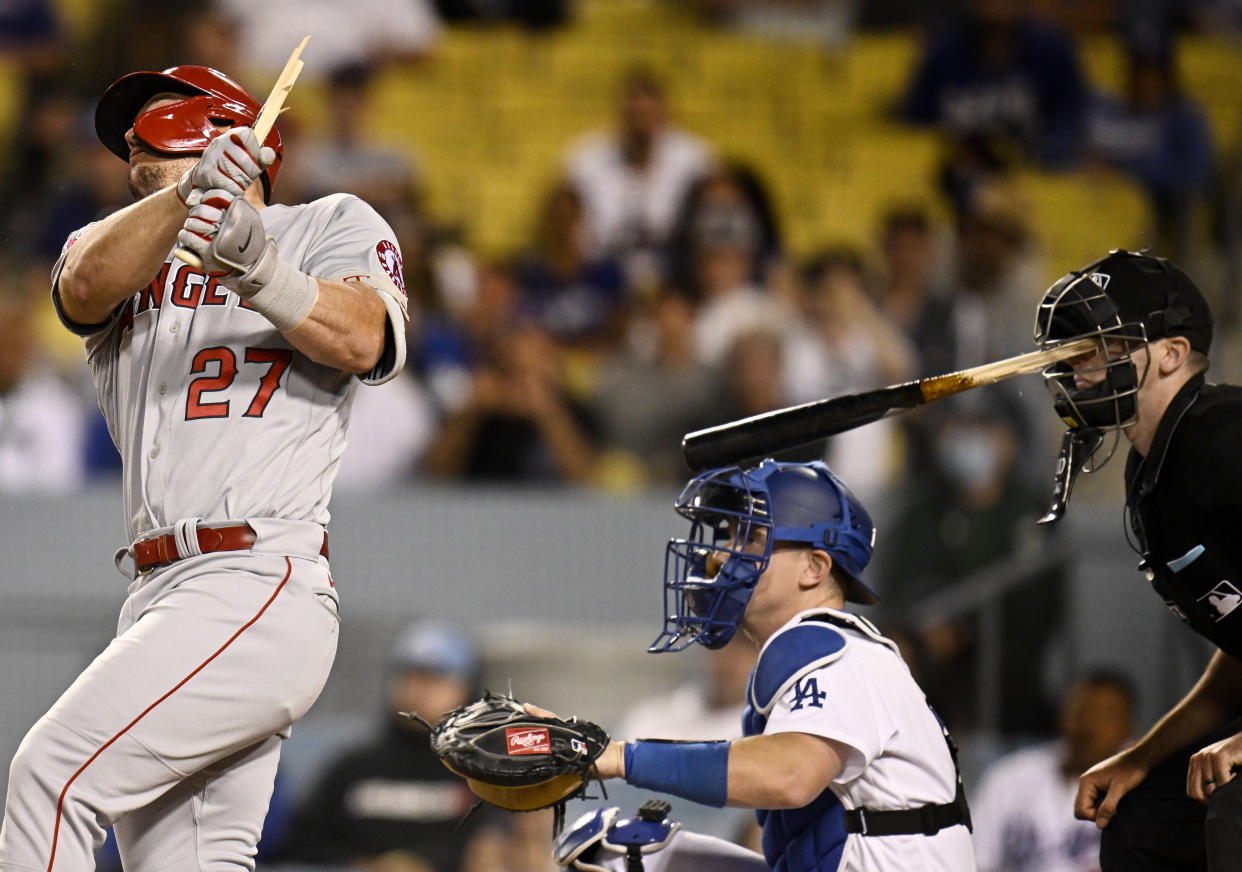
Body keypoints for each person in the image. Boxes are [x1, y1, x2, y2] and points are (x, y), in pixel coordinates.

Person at [0, 63, 409, 871]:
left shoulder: (327, 220)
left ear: (230, 133)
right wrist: (184, 199)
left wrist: (263, 272)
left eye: (157, 132)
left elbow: (368, 340)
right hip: (157, 594)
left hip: (256, 578)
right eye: (132, 158)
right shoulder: (121, 246)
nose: (132, 153)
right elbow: (80, 288)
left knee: (49, 780)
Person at [587, 458, 977, 871]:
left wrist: (621, 759)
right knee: (625, 852)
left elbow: (791, 775)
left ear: (814, 567)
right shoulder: (816, 651)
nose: (721, 557)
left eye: (751, 537)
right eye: (730, 535)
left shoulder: (839, 654)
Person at [1032, 248, 1242, 869]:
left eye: (1102, 345)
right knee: (1141, 821)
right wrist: (1142, 755)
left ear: (1172, 355)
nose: (1080, 365)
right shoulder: (1155, 465)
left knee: (1235, 813)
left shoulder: (1224, 439)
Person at [275, 621, 489, 871]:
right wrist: (363, 865)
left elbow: (489, 844)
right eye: (408, 677)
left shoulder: (481, 774)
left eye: (434, 679)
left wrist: (425, 864)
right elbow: (302, 840)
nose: (418, 690)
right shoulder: (354, 768)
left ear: (466, 689)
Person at [971, 669, 1137, 872]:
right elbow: (974, 860)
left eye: (1104, 714)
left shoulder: (1143, 793)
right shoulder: (1009, 777)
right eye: (1081, 709)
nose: (1089, 724)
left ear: (1127, 727)